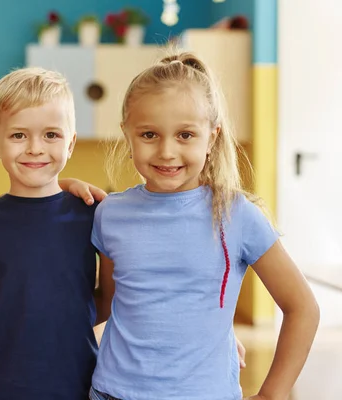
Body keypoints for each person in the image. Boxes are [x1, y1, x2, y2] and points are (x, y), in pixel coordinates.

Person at [88, 53, 320, 400]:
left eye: (185, 135)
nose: (167, 151)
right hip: (111, 392)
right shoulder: (109, 214)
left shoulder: (236, 215)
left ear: (212, 137)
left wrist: (272, 393)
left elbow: (303, 307)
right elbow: (110, 303)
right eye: (149, 134)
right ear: (127, 133)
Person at [0, 67, 115, 400]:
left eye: (51, 135)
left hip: (76, 387)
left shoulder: (94, 215)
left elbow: (114, 301)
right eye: (18, 135)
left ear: (70, 143)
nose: (35, 148)